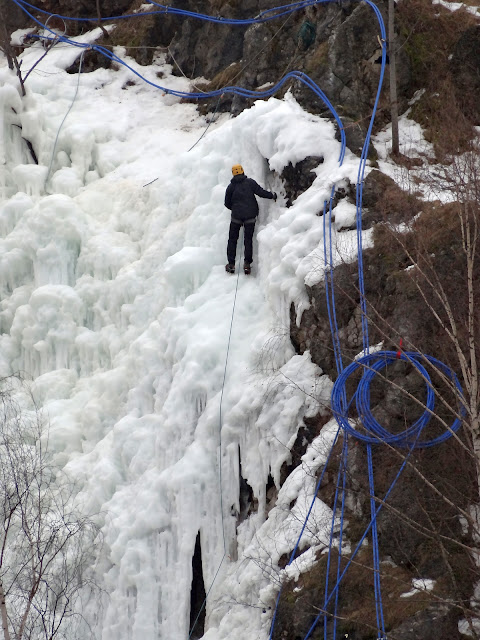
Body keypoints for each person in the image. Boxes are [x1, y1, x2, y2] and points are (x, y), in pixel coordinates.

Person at [224, 164, 276, 274]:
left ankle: (231, 264)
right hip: (250, 216)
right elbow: (261, 192)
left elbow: (227, 203)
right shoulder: (250, 182)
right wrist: (272, 195)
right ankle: (247, 264)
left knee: (232, 239)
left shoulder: (231, 187)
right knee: (248, 240)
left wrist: (235, 209)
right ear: (242, 171)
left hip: (236, 217)